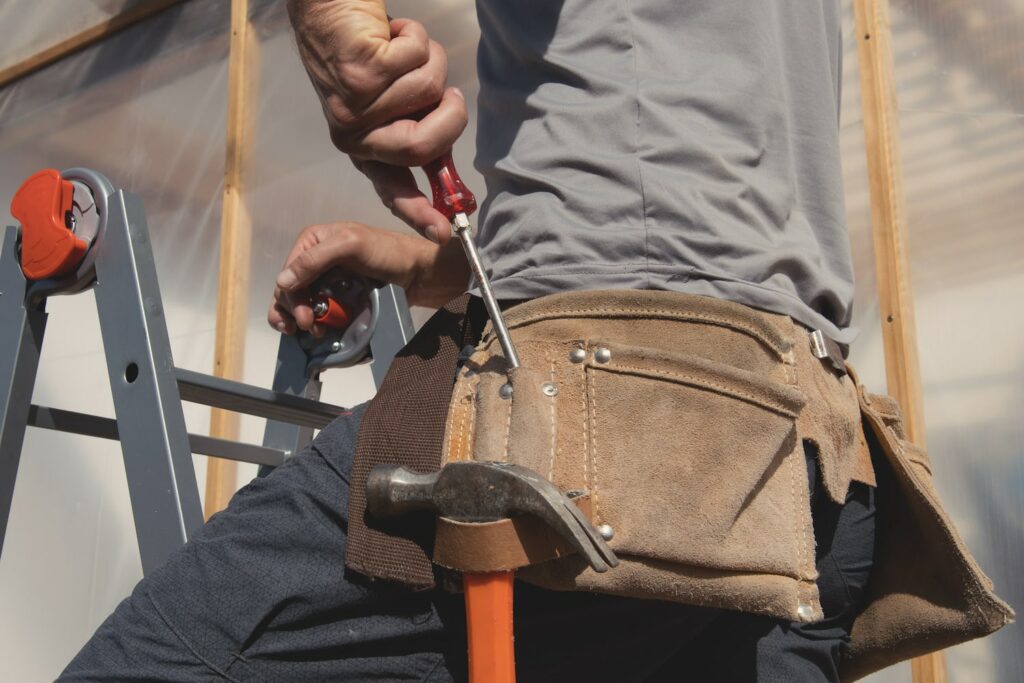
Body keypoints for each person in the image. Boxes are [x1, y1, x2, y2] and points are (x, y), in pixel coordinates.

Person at [60, 1, 1010, 681]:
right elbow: (693, 232)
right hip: (807, 484)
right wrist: (422, 264)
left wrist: (326, 26)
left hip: (612, 443)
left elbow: (651, 274)